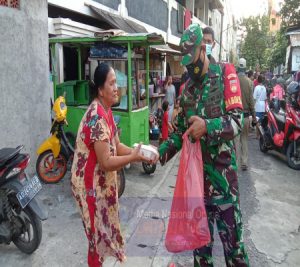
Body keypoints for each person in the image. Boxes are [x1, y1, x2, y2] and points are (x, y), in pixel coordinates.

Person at [159, 24, 249, 266]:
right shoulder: (186, 90)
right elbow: (179, 133)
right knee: (201, 255)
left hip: (224, 186)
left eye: (193, 61)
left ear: (203, 48)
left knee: (235, 253)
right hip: (197, 189)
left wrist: (207, 127)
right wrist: (156, 154)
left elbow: (237, 120)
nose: (190, 67)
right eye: (186, 63)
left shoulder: (225, 74)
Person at [71, 63, 157, 267]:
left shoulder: (107, 111)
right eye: (112, 83)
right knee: (96, 239)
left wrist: (141, 153)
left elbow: (117, 146)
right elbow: (107, 161)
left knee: (104, 232)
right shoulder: (96, 118)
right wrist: (134, 158)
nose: (117, 87)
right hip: (89, 187)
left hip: (100, 184)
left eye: (116, 83)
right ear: (101, 90)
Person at [234, 58, 256, 171]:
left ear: (237, 67)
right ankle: (244, 162)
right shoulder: (249, 82)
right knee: (244, 139)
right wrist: (255, 117)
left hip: (235, 116)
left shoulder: (233, 80)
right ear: (246, 67)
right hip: (246, 116)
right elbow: (252, 102)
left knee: (236, 140)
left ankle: (236, 163)